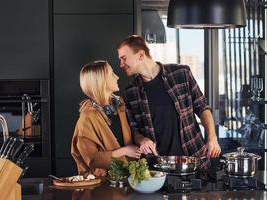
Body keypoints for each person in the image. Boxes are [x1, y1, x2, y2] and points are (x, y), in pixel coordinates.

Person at [117, 35, 221, 168]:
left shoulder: (181, 73)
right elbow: (135, 130)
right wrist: (142, 140)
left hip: (194, 158)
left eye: (124, 58)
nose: (121, 64)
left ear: (141, 55)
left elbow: (202, 107)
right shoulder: (130, 93)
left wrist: (212, 138)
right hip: (158, 166)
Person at [71, 60, 141, 176]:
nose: (117, 77)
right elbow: (92, 159)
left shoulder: (120, 106)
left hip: (129, 177)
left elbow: (135, 131)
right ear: (101, 82)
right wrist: (125, 151)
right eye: (112, 74)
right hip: (103, 183)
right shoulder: (87, 118)